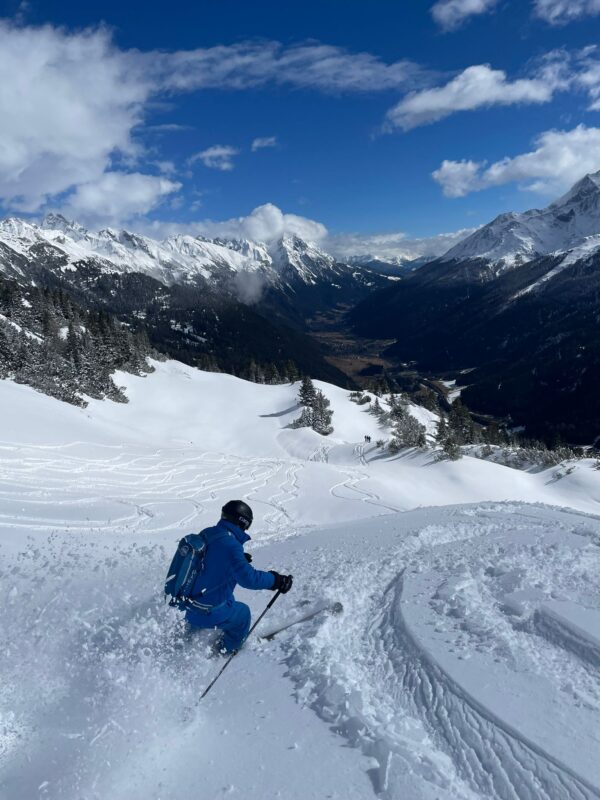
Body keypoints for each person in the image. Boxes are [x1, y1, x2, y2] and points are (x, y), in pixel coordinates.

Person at [185, 500, 293, 654]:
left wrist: (238, 559)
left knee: (222, 603)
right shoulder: (231, 546)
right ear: (242, 523)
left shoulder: (208, 533)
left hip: (191, 608)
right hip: (211, 611)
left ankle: (187, 641)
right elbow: (249, 579)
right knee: (243, 614)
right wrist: (276, 580)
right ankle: (225, 651)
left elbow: (211, 560)